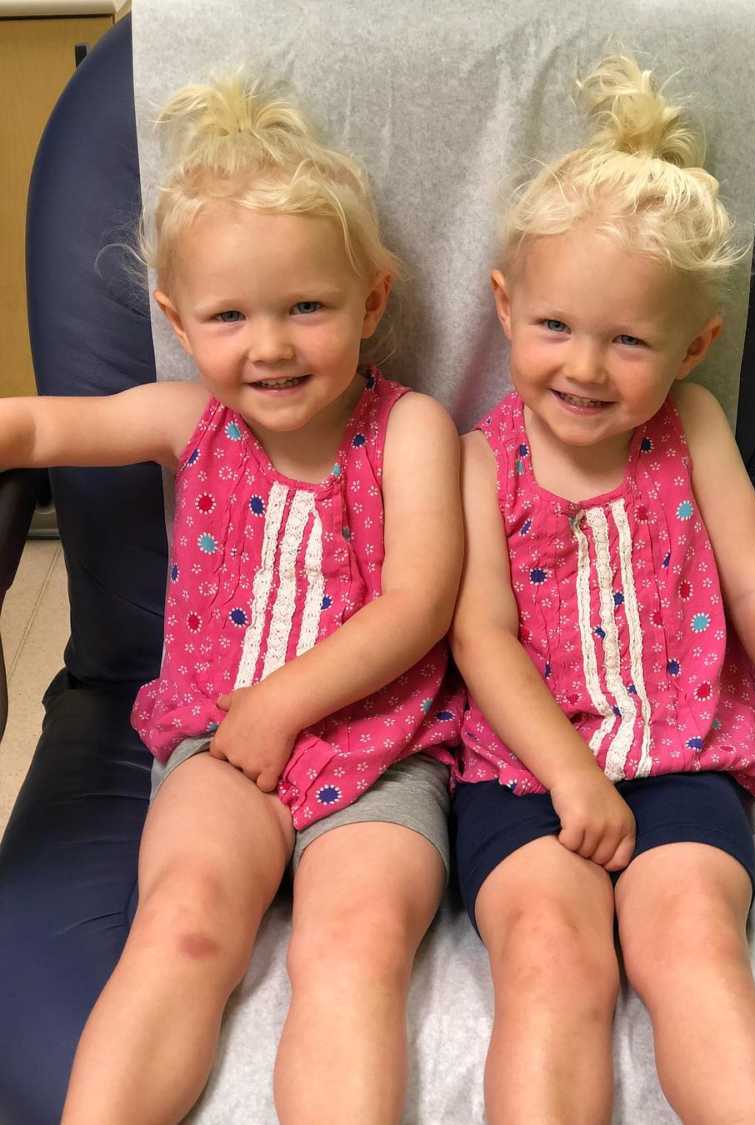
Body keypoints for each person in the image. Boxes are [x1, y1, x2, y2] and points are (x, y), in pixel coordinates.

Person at [0, 72, 462, 1124]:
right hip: (215, 746)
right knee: (183, 926)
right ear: (177, 318)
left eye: (308, 306)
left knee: (356, 949)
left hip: (387, 757)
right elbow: (32, 429)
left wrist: (284, 702)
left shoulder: (410, 432)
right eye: (229, 315)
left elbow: (420, 600)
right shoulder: (184, 419)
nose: (271, 344)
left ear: (373, 300)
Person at [449, 55, 755, 1125]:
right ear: (506, 308)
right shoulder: (478, 458)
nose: (588, 369)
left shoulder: (691, 427)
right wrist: (570, 780)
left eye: (631, 341)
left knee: (695, 945)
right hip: (523, 777)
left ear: (695, 345)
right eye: (556, 327)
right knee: (552, 964)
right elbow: (482, 640)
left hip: (681, 757)